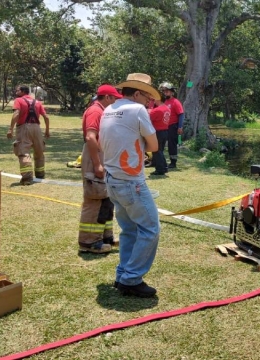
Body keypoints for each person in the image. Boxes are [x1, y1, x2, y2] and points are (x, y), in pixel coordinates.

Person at [100, 73, 160, 298]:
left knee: (129, 230)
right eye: (147, 96)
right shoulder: (137, 110)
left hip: (112, 179)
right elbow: (153, 144)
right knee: (150, 229)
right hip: (131, 182)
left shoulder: (108, 109)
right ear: (136, 93)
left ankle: (123, 273)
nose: (149, 101)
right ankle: (131, 279)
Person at [77, 84, 122, 254]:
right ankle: (88, 242)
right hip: (94, 155)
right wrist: (97, 163)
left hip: (102, 154)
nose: (116, 102)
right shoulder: (95, 111)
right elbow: (90, 137)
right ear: (108, 97)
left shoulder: (102, 110)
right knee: (94, 197)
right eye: (115, 98)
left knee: (105, 197)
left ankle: (105, 237)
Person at [7, 85, 50, 185]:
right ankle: (40, 175)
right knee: (39, 152)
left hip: (24, 128)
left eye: (17, 90)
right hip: (37, 128)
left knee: (23, 151)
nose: (16, 92)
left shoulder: (19, 100)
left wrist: (10, 129)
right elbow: (46, 117)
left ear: (22, 91)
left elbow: (16, 114)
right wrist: (47, 131)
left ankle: (27, 178)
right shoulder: (38, 102)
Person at [159, 82, 184, 169]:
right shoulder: (165, 101)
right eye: (164, 91)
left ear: (172, 92)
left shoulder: (175, 102)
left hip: (173, 126)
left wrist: (180, 127)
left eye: (167, 91)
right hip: (165, 126)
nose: (166, 93)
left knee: (172, 144)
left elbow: (181, 114)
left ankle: (173, 162)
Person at [149, 98, 171, 176]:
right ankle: (164, 167)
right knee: (160, 150)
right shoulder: (167, 108)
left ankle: (160, 169)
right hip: (165, 131)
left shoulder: (157, 110)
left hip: (158, 131)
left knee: (157, 151)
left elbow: (148, 117)